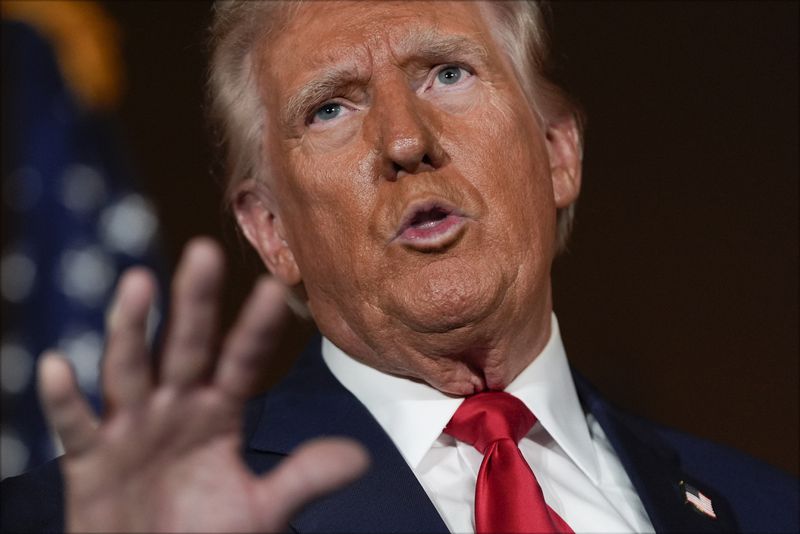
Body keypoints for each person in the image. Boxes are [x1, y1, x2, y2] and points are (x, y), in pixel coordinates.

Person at [1, 1, 797, 533]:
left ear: (557, 153)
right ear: (270, 229)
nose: (405, 140)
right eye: (331, 108)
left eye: (447, 73)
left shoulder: (768, 508)